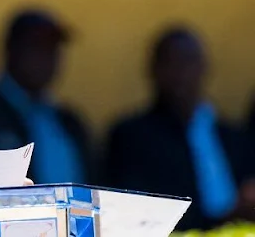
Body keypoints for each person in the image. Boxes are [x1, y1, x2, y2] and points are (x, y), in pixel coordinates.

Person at [103, 26, 255, 231]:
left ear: (204, 67)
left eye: (188, 62)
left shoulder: (232, 136)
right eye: (171, 63)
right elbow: (138, 213)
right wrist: (225, 217)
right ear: (153, 70)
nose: (181, 72)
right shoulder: (132, 137)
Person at [0, 9, 93, 185]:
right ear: (11, 49)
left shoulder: (69, 122)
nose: (46, 57)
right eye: (36, 45)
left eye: (52, 48)